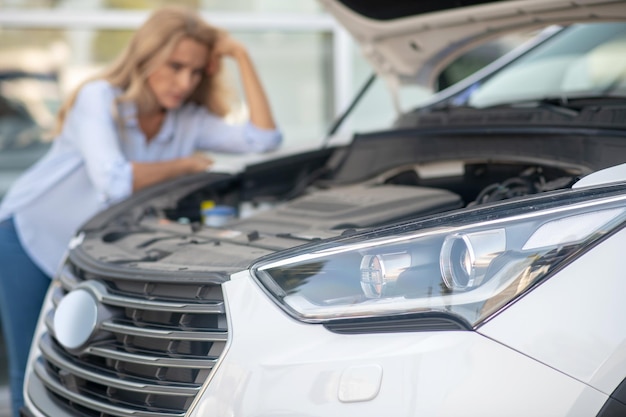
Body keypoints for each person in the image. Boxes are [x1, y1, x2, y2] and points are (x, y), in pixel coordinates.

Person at [0, 6, 282, 417]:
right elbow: (113, 181)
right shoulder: (99, 98)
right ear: (147, 56)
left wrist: (238, 54)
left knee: (89, 375)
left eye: (196, 71)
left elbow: (265, 138)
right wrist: (184, 166)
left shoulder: (187, 120)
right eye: (175, 66)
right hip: (28, 236)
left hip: (91, 254)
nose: (184, 82)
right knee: (32, 372)